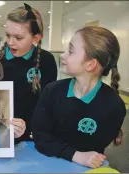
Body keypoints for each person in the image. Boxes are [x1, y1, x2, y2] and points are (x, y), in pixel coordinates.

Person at [31, 26, 126, 169]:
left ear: (90, 64)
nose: (63, 55)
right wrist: (75, 155)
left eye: (70, 51)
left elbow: (93, 150)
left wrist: (72, 154)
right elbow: (40, 136)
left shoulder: (114, 106)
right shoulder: (52, 91)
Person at [0, 3, 58, 143]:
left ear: (36, 38)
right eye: (8, 36)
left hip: (33, 135)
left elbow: (47, 103)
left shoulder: (47, 61)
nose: (10, 42)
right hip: (0, 132)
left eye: (18, 38)